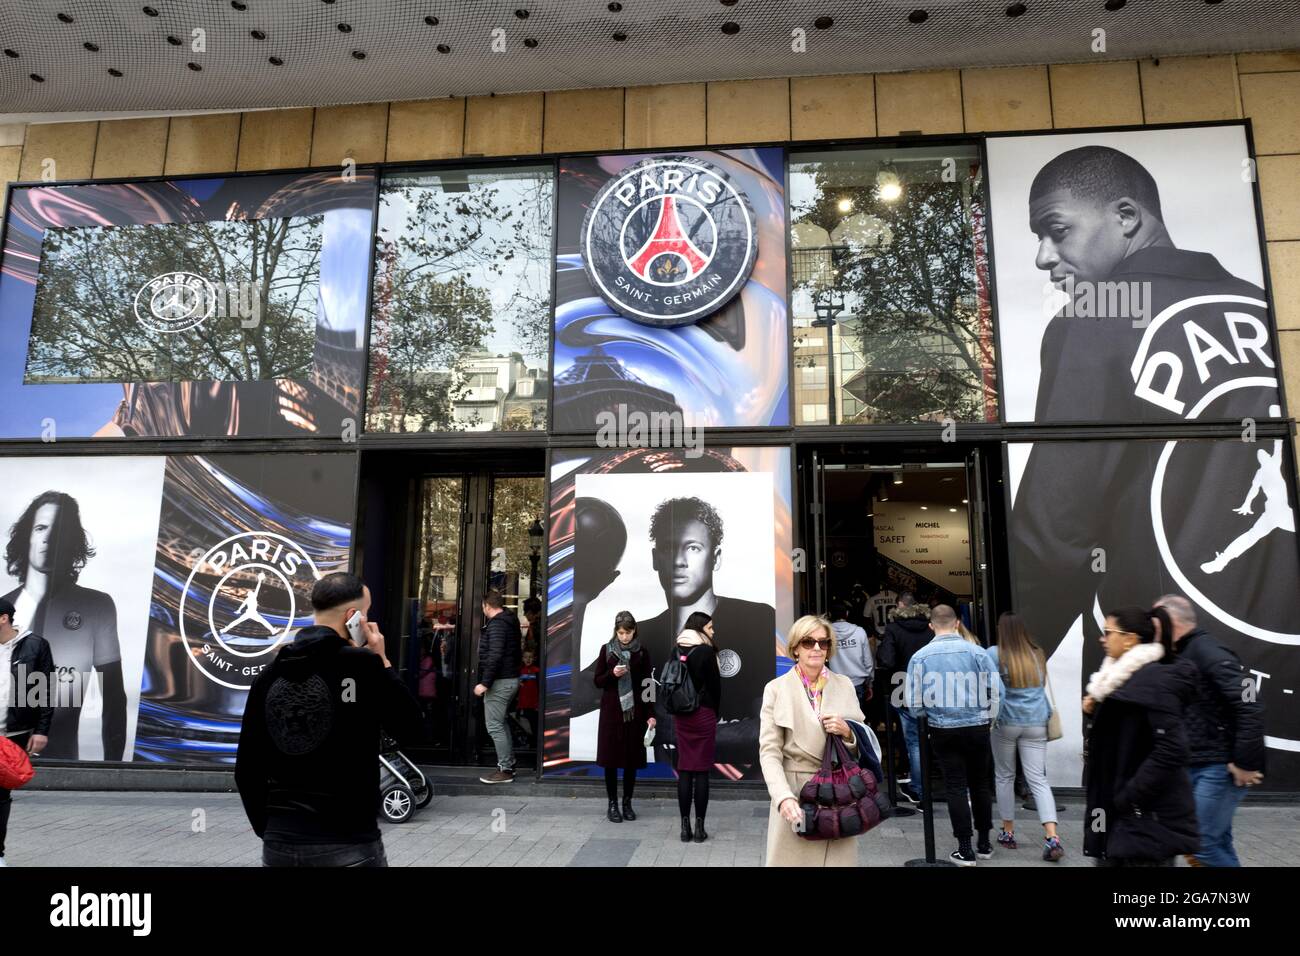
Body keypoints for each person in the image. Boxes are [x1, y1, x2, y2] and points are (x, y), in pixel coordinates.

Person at [235, 572, 423, 867]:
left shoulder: (269, 675)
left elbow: (247, 769)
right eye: (366, 613)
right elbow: (414, 730)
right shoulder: (362, 666)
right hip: (347, 840)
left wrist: (272, 830)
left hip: (280, 843)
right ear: (353, 616)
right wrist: (382, 660)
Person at [3, 491, 127, 760]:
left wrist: (114, 770)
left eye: (59, 530)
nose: (48, 537)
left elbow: (114, 698)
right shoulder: (4, 608)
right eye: (40, 527)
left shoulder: (97, 606)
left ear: (71, 540)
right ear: (28, 536)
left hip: (63, 761)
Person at [637, 497, 775, 735]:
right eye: (670, 548)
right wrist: (582, 598)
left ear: (716, 557)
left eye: (693, 548)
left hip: (736, 770)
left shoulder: (757, 620)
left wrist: (682, 732)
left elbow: (764, 727)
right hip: (670, 770)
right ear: (655, 558)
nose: (679, 561)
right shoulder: (642, 634)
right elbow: (577, 689)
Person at [1082, 605, 1199, 867]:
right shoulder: (1120, 678)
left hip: (1144, 819)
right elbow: (1131, 731)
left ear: (1129, 639)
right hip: (1127, 818)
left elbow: (1172, 749)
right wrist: (1096, 711)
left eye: (1108, 632)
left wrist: (1128, 796)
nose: (1102, 638)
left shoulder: (1153, 680)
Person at [1153, 594, 1265, 867]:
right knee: (1216, 841)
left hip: (1219, 767)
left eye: (1154, 626)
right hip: (1197, 763)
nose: (1150, 633)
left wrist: (1244, 762)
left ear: (1172, 624)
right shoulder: (1182, 653)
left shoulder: (1208, 652)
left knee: (1201, 844)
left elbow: (1250, 703)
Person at [760, 614, 865, 867]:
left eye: (823, 642)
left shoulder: (844, 685)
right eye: (808, 642)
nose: (816, 648)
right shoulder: (776, 689)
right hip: (798, 795)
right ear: (795, 648)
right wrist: (783, 797)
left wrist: (847, 732)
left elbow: (861, 743)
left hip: (838, 796)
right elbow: (769, 751)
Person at [905, 604, 1002, 866]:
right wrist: (989, 719)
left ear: (931, 625)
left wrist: (929, 715)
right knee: (980, 783)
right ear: (958, 623)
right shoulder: (978, 653)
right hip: (978, 725)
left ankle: (964, 848)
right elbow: (997, 692)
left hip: (942, 729)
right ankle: (984, 842)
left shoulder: (921, 657)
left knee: (955, 785)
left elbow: (914, 703)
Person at [987, 612, 1063, 861]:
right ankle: (1052, 836)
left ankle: (1008, 832)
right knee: (1038, 780)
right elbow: (1041, 687)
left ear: (1002, 630)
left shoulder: (995, 653)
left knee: (1005, 776)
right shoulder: (1037, 653)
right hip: (1036, 722)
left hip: (1006, 722)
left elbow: (990, 687)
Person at [0, 596, 54, 867]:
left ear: (3, 618)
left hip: (13, 734)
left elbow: (45, 692)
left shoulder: (35, 646)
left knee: (0, 795)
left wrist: (41, 730)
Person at [592, 611, 654, 823]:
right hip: (611, 713)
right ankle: (612, 804)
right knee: (611, 761)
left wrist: (651, 714)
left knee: (631, 761)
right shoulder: (607, 650)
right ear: (615, 631)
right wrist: (613, 674)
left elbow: (648, 684)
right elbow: (597, 681)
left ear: (634, 630)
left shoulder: (642, 653)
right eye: (620, 633)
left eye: (627, 632)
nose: (624, 637)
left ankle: (627, 802)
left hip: (634, 714)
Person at [669, 611, 721, 843]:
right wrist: (715, 713)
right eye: (709, 627)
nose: (713, 631)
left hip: (682, 716)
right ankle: (699, 829)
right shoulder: (706, 652)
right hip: (703, 714)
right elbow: (715, 688)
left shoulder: (677, 648)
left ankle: (684, 828)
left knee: (685, 770)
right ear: (700, 628)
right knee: (701, 772)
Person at [877, 593, 931, 804]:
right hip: (931, 687)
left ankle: (919, 789)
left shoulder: (894, 629)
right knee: (931, 738)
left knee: (913, 741)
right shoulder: (930, 626)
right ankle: (933, 784)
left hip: (904, 689)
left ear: (899, 606)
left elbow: (887, 660)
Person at [475, 588, 523, 784]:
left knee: (494, 726)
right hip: (509, 679)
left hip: (500, 682)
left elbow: (495, 656)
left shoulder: (496, 626)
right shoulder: (508, 622)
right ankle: (508, 765)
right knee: (501, 724)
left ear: (486, 605)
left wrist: (484, 683)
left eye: (482, 606)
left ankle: (505, 770)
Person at [827, 600, 873, 714]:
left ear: (830, 615)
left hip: (835, 684)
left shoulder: (826, 633)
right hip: (857, 684)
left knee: (838, 722)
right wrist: (870, 683)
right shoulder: (859, 632)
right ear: (847, 614)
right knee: (857, 721)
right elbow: (868, 661)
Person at [517, 647, 541, 746]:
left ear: (534, 658)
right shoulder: (519, 671)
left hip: (533, 704)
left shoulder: (537, 671)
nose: (528, 659)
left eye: (530, 657)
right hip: (523, 704)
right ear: (522, 658)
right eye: (526, 657)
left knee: (534, 726)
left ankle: (534, 744)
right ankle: (529, 743)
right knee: (524, 726)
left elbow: (539, 688)